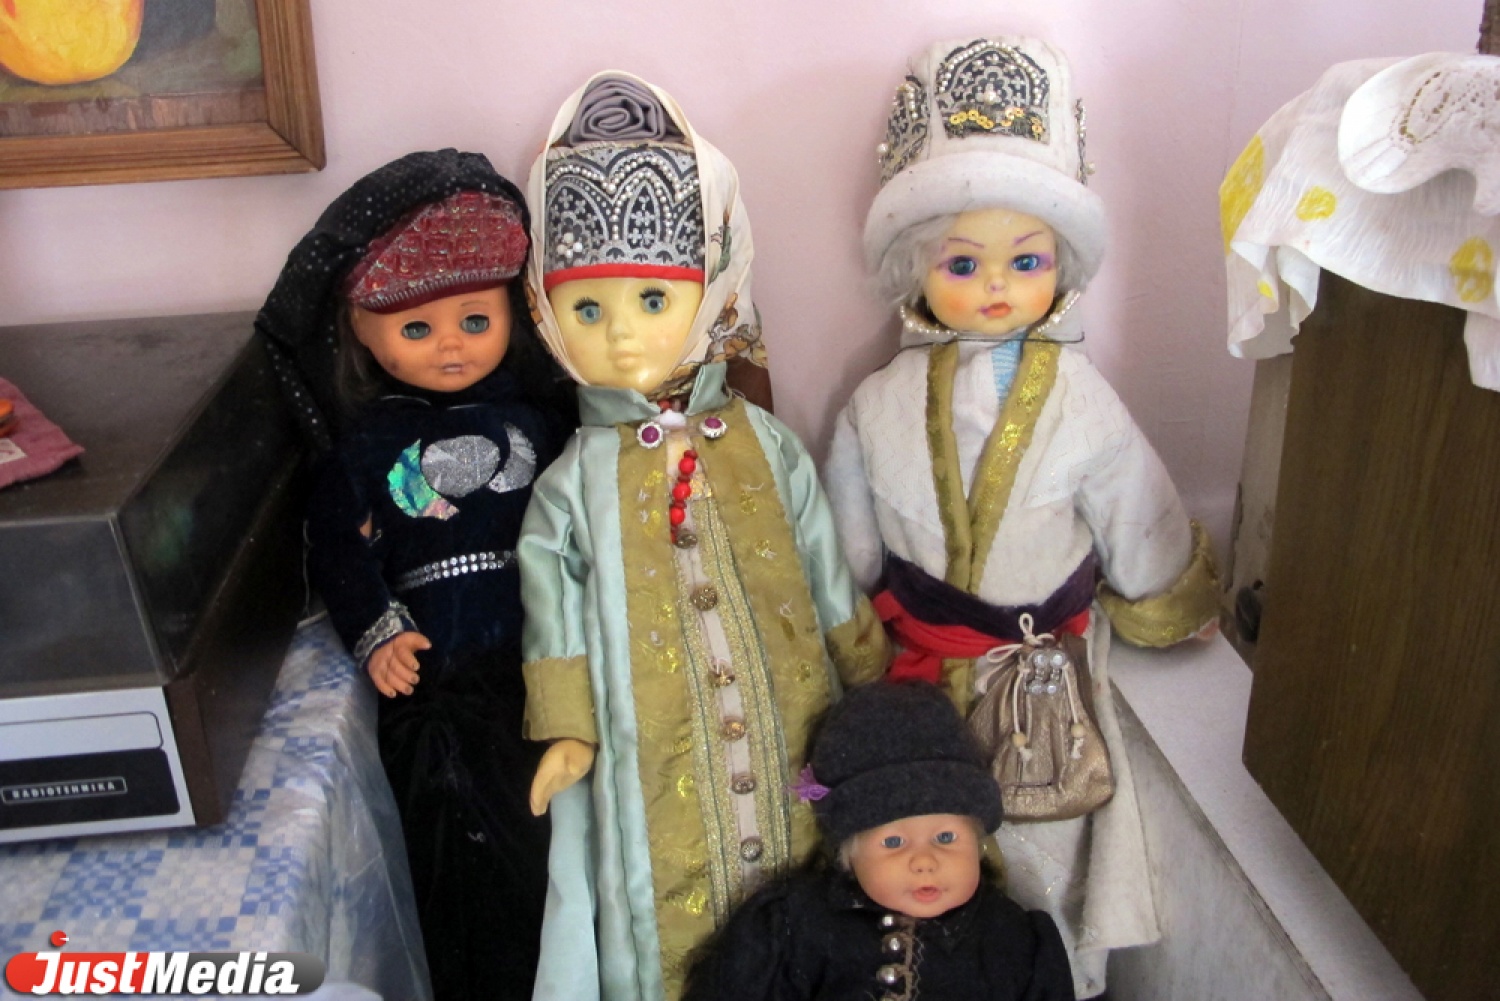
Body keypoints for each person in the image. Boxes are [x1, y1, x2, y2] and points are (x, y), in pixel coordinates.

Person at [822, 38, 1219, 999]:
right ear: (917, 268)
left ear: (1060, 266)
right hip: (924, 676)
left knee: (1049, 845)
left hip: (1046, 681)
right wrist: (855, 639)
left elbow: (1136, 508)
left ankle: (1051, 974)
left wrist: (1164, 596)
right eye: (963, 262)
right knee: (928, 851)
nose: (996, 285)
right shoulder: (876, 405)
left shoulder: (1084, 402)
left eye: (1026, 260)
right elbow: (849, 542)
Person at [518, 73, 889, 1001]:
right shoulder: (571, 484)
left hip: (791, 735)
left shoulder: (767, 443)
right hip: (650, 759)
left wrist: (867, 671)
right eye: (587, 310)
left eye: (653, 300)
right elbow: (552, 608)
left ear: (713, 289)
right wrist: (568, 731)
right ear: (544, 312)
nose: (621, 337)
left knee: (809, 896)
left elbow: (823, 565)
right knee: (668, 931)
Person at [254, 149, 574, 1001]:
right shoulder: (367, 444)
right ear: (362, 330)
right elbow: (336, 545)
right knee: (464, 863)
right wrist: (376, 628)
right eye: (417, 329)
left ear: (512, 313)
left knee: (558, 851)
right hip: (438, 684)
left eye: (474, 319)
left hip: (544, 663)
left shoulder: (540, 422)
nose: (451, 344)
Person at [682, 681, 1075, 1001]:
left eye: (945, 837)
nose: (924, 861)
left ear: (977, 841)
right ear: (849, 855)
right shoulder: (796, 926)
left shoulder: (1011, 940)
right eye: (893, 843)